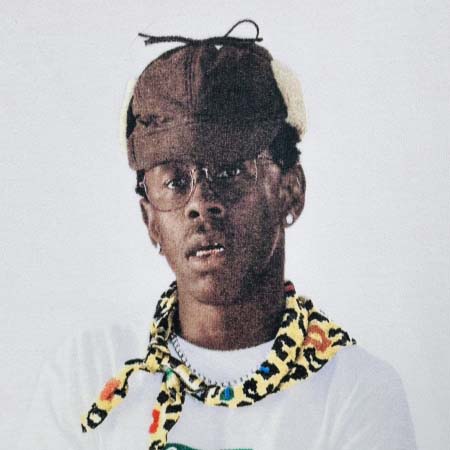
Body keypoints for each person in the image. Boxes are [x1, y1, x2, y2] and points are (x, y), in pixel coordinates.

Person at [18, 21, 417, 450]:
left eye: (230, 171)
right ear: (150, 220)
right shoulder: (88, 377)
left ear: (290, 191)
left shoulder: (355, 391)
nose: (201, 202)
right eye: (175, 181)